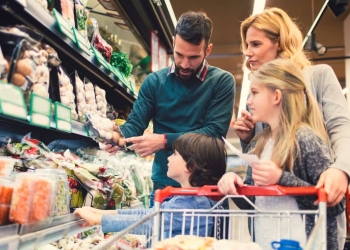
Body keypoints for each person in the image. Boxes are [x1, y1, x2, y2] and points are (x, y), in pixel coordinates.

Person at [231, 7, 350, 249]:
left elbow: (340, 126)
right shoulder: (262, 92)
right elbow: (270, 149)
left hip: (313, 212)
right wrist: (248, 138)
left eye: (255, 44)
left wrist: (341, 169)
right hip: (272, 223)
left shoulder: (318, 76)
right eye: (246, 45)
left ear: (280, 43)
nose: (247, 52)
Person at [100, 11, 235, 196]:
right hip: (164, 186)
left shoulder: (222, 82)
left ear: (208, 50)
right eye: (179, 55)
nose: (185, 64)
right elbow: (135, 125)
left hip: (206, 188)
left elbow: (213, 135)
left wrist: (164, 141)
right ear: (173, 42)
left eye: (193, 57)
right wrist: (117, 137)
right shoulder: (154, 82)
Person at [218, 58, 345, 250]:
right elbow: (254, 204)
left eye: (254, 93)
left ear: (276, 96)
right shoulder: (258, 144)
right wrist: (235, 188)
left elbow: (335, 205)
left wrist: (281, 178)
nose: (248, 101)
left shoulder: (305, 140)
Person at [74, 133, 227, 237]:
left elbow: (151, 222)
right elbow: (149, 215)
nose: (168, 159)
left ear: (190, 166)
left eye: (174, 154)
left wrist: (100, 220)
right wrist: (100, 214)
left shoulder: (193, 206)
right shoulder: (189, 199)